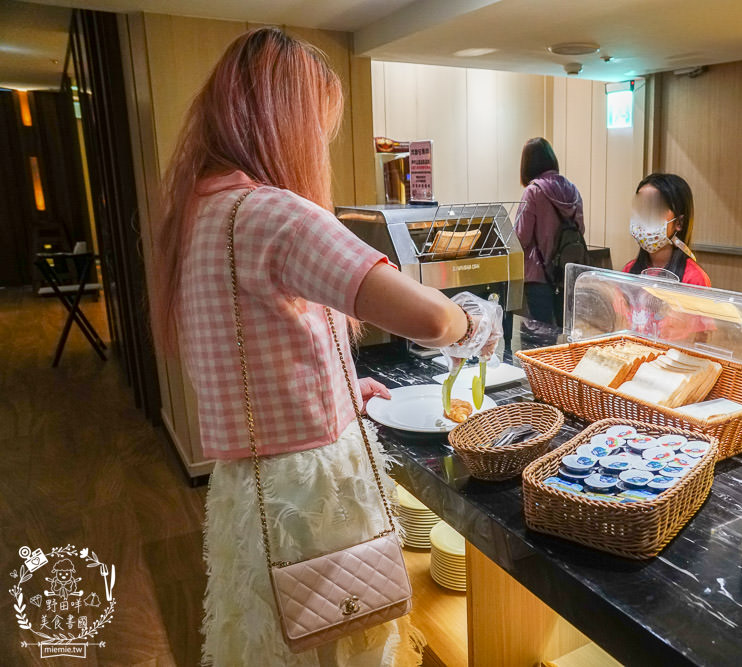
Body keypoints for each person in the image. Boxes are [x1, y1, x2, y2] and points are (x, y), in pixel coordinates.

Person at [151, 28, 501, 666]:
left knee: (274, 639)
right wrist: (472, 319)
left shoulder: (200, 213)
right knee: (339, 645)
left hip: (250, 487)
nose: (320, 143)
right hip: (312, 494)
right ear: (282, 121)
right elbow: (428, 317)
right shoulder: (275, 214)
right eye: (319, 126)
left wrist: (339, 389)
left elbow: (251, 353)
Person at [514, 137, 584, 326]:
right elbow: (580, 230)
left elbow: (521, 237)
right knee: (563, 330)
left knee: (537, 334)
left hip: (538, 275)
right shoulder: (573, 190)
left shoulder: (533, 191)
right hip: (565, 274)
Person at [623, 173, 711, 287]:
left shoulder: (694, 279)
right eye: (641, 208)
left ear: (679, 222)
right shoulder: (629, 269)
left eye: (656, 209)